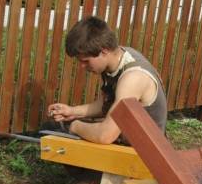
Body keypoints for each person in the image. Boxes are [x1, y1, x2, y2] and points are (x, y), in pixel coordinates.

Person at [47, 16, 167, 144]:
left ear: (104, 51)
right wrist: (72, 112)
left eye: (85, 61)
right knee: (51, 127)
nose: (82, 67)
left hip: (145, 155)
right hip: (128, 139)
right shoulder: (118, 58)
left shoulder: (133, 78)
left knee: (64, 136)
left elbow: (104, 136)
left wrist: (75, 126)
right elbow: (106, 104)